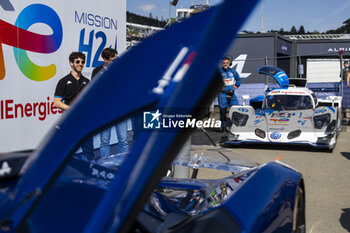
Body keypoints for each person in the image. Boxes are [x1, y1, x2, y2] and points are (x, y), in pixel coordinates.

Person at [54, 52, 95, 161]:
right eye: (77, 62)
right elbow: (57, 102)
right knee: (67, 151)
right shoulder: (63, 81)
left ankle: (90, 174)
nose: (80, 64)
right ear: (71, 63)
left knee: (89, 151)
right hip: (69, 120)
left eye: (82, 62)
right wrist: (72, 109)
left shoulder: (87, 81)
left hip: (84, 120)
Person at [92, 48, 129, 158]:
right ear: (105, 59)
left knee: (123, 139)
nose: (115, 62)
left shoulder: (122, 70)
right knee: (104, 141)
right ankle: (104, 166)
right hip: (104, 110)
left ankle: (122, 165)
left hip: (120, 109)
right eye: (113, 60)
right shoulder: (96, 71)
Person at [218, 56, 241, 131]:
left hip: (231, 93)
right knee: (223, 110)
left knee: (236, 108)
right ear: (222, 63)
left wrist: (237, 85)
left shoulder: (233, 71)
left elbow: (238, 79)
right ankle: (223, 126)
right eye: (224, 63)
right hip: (222, 94)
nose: (225, 64)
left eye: (227, 62)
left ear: (229, 63)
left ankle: (236, 125)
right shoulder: (219, 72)